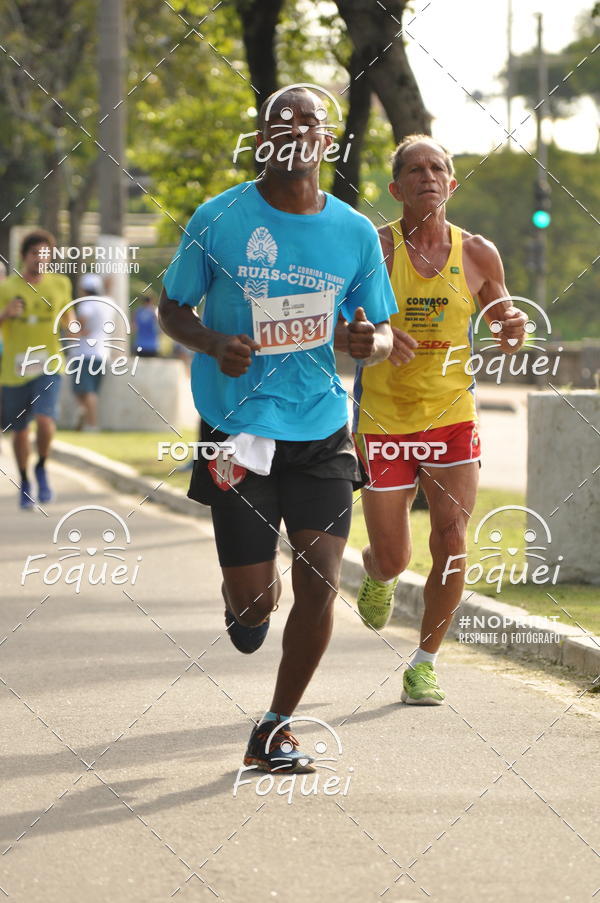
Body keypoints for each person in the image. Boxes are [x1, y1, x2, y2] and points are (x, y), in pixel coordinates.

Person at [159, 86, 396, 772]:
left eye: (309, 123)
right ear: (263, 139)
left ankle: (275, 725)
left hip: (322, 427)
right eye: (279, 123)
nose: (294, 132)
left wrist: (365, 340)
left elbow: (381, 331)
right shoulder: (219, 216)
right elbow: (173, 306)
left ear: (328, 142)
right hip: (236, 430)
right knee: (257, 602)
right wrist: (209, 342)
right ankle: (245, 605)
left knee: (320, 578)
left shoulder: (353, 231)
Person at [350, 135, 527, 704]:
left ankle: (424, 663)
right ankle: (376, 572)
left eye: (438, 168)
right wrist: (380, 337)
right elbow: (347, 330)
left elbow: (502, 317)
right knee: (397, 556)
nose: (428, 175)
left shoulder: (476, 252)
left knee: (451, 539)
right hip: (383, 418)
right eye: (414, 169)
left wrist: (511, 326)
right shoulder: (375, 249)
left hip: (452, 415)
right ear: (396, 188)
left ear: (451, 184)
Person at [0, 230, 74, 508]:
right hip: (14, 370)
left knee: (44, 419)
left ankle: (42, 467)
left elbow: (69, 316)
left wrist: (75, 326)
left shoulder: (60, 284)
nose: (41, 259)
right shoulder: (6, 288)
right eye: (35, 254)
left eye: (46, 254)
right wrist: (5, 314)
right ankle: (25, 479)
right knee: (19, 432)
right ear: (24, 256)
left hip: (49, 364)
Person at [68, 273, 114, 431]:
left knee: (86, 391)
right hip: (103, 353)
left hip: (84, 353)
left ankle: (92, 424)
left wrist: (72, 330)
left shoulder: (86, 304)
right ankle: (85, 416)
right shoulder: (107, 303)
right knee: (90, 391)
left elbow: (78, 327)